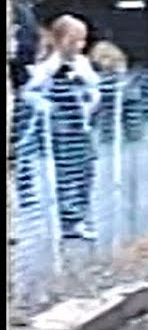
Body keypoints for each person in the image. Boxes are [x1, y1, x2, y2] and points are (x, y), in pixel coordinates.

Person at [23, 14, 102, 239]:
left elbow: (95, 88)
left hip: (82, 126)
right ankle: (68, 218)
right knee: (66, 173)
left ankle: (81, 214)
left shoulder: (82, 64)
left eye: (83, 40)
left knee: (86, 170)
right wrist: (48, 107)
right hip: (61, 130)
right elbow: (30, 92)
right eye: (77, 40)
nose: (81, 45)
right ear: (63, 40)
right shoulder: (48, 66)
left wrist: (90, 100)